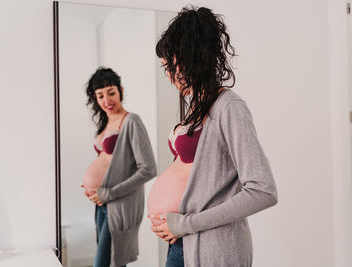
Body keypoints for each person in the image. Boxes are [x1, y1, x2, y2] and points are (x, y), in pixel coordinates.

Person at [147, 6, 278, 267]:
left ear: (189, 58)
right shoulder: (195, 106)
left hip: (212, 248)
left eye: (169, 65)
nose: (168, 75)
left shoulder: (229, 107)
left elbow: (263, 191)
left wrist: (185, 223)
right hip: (181, 244)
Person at [82, 67, 157, 267]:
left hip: (117, 203)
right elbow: (108, 164)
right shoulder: (105, 124)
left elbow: (148, 169)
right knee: (112, 263)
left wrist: (109, 193)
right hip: (101, 205)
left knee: (106, 263)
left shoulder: (131, 121)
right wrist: (92, 187)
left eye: (111, 93)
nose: (107, 100)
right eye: (100, 96)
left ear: (120, 90)